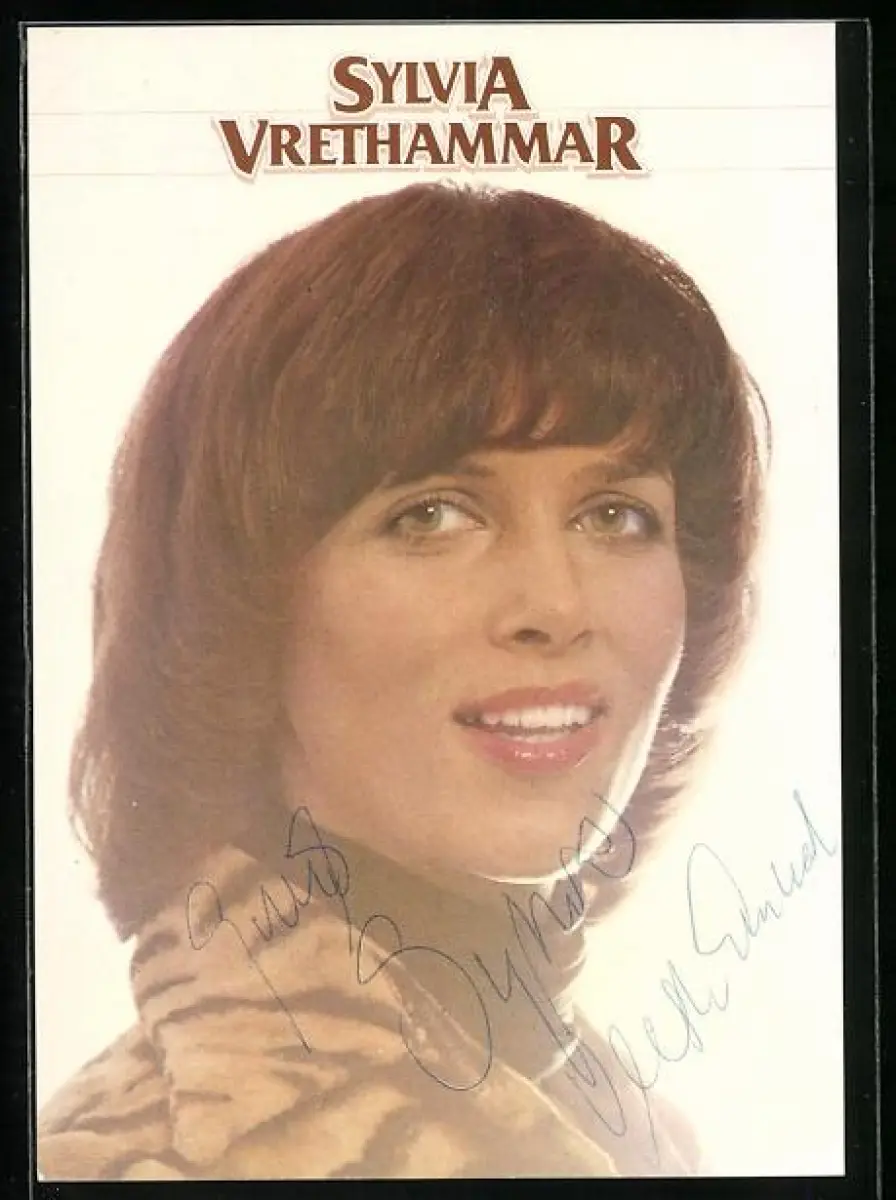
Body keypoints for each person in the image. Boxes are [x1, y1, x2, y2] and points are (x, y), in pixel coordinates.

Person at [37, 182, 768, 1180]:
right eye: (432, 515)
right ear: (244, 606)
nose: (556, 605)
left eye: (613, 516)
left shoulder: (625, 1130)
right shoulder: (135, 1163)